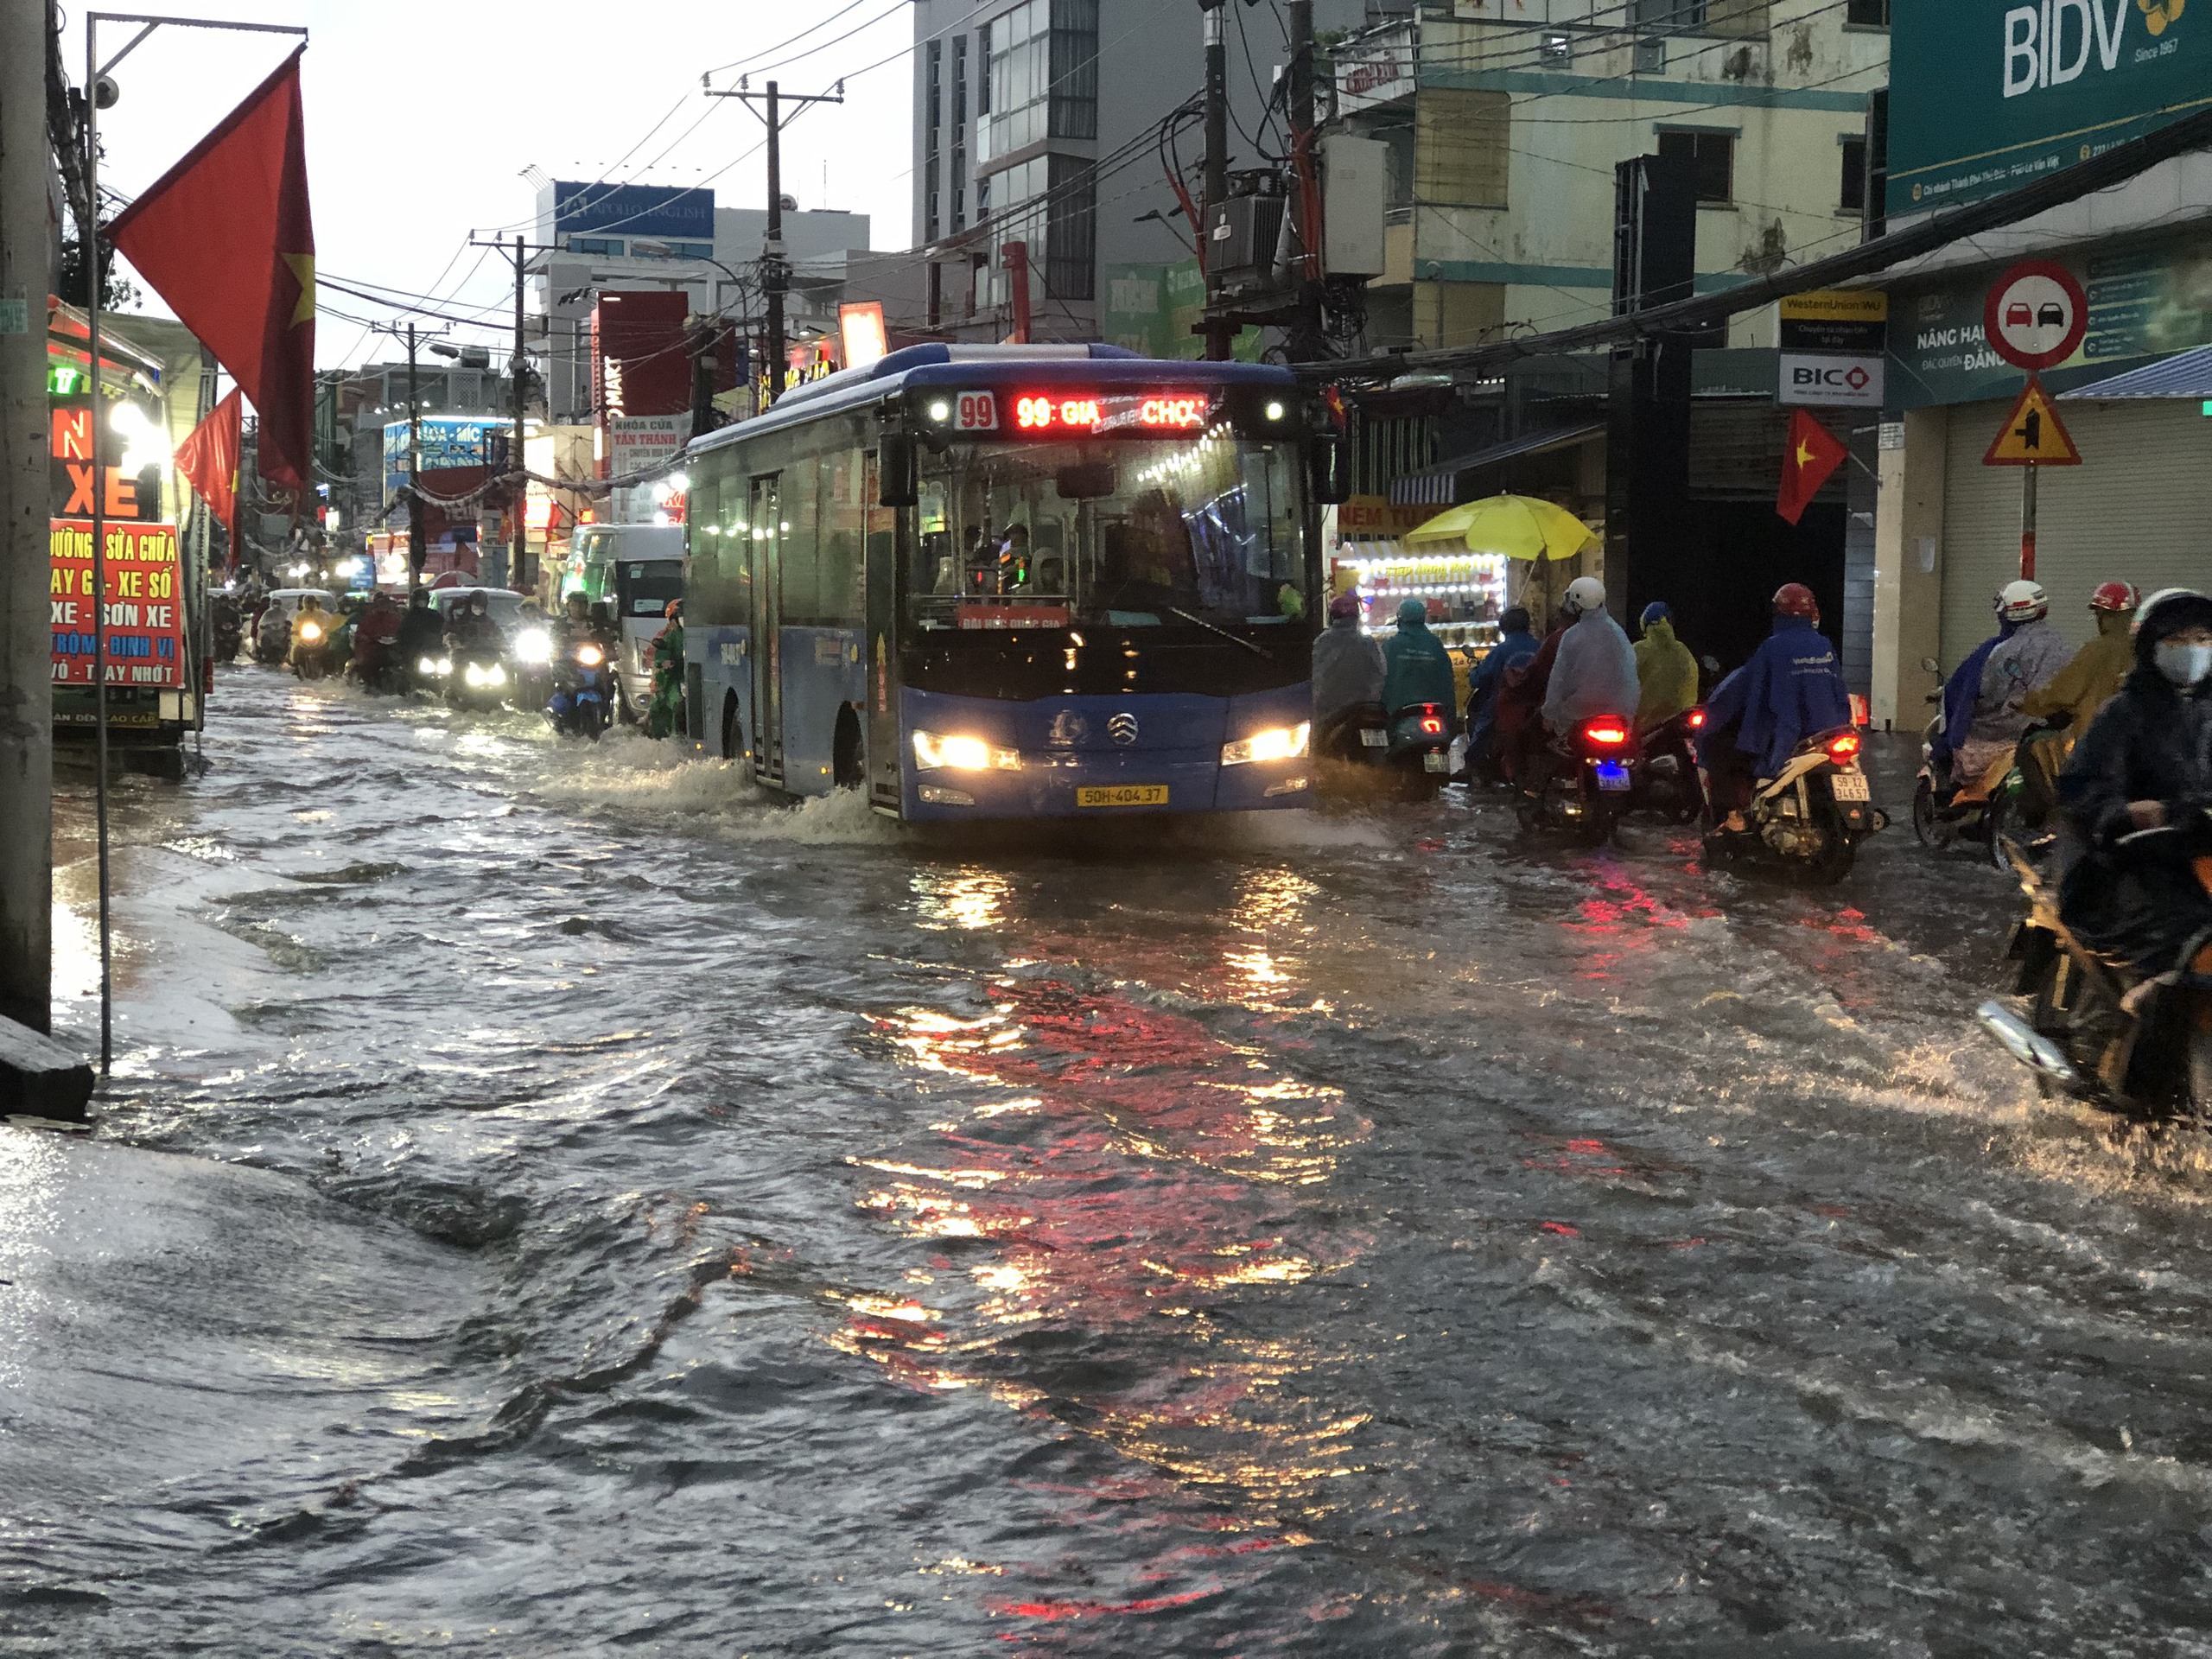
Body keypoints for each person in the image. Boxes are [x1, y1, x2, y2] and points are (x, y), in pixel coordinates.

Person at [2056, 588, 2212, 984]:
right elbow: (2081, 791)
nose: (2191, 650)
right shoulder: (2122, 714)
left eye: (2202, 639)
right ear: (2150, 647)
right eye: (2175, 640)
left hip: (2205, 857)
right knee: (2179, 953)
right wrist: (2126, 813)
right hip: (2137, 864)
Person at [1700, 582, 1853, 831]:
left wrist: (1715, 713)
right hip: (1828, 734)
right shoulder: (1824, 645)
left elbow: (1744, 687)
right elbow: (1838, 693)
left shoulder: (1773, 647)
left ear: (1778, 613)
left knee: (1720, 749)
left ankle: (1733, 817)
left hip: (1783, 739)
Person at [1955, 579, 2071, 791]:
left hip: (2005, 734)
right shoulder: (2064, 645)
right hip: (2054, 731)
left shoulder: (2001, 650)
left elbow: (1988, 693)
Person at [2024, 582, 2140, 743]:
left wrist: (2026, 703)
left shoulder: (2098, 649)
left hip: (2097, 742)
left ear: (2103, 616)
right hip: (2140, 744)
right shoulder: (2149, 648)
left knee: (2033, 744)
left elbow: (2061, 694)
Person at [1539, 575, 1640, 737]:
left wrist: (1549, 715)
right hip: (1619, 720)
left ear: (1578, 604)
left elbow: (1558, 679)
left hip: (1577, 717)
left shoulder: (1571, 636)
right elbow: (1631, 678)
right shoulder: (1619, 634)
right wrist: (1629, 718)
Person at [1464, 605, 1539, 780]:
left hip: (1503, 704)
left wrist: (1474, 673)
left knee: (1483, 725)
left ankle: (1471, 764)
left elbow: (1479, 678)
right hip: (1535, 704)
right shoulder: (1539, 646)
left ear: (1504, 626)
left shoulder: (1501, 650)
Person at [1312, 591, 1386, 752]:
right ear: (1356, 618)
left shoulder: (1321, 642)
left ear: (1332, 617)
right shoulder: (1367, 643)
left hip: (1330, 714)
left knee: (1319, 751)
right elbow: (1380, 674)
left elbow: (1317, 679)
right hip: (1365, 710)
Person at [1381, 596, 1457, 721]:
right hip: (1436, 712)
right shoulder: (1435, 645)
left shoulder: (1391, 646)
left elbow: (1380, 680)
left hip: (1398, 712)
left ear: (1400, 618)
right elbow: (1447, 680)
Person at [1633, 601, 1700, 734]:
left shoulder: (1637, 650)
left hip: (1643, 729)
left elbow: (1622, 681)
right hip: (1678, 724)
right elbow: (1691, 681)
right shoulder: (1683, 651)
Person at [647, 599, 686, 739]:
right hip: (674, 678)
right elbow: (659, 653)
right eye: (680, 617)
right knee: (672, 703)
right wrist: (664, 663)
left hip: (692, 677)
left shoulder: (699, 634)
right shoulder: (669, 636)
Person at [396, 587, 442, 671]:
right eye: (419, 600)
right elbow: (402, 635)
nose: (421, 603)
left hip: (434, 651)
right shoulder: (409, 617)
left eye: (423, 600)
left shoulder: (435, 616)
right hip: (414, 653)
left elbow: (443, 630)